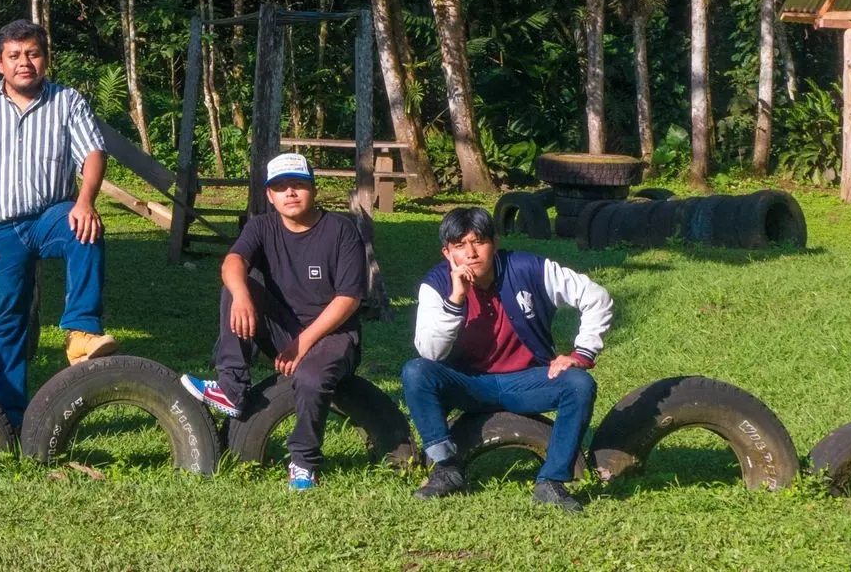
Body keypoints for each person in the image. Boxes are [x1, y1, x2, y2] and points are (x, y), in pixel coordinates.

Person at [0, 19, 117, 428]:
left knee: (86, 230)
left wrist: (85, 201)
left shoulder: (67, 101)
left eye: (33, 54)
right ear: (0, 63)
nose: (24, 63)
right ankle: (8, 421)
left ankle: (81, 332)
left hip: (52, 216)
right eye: (14, 55)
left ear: (45, 59)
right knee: (7, 324)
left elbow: (93, 152)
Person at [402, 205, 613, 512]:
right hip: (469, 384)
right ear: (447, 253)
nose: (471, 253)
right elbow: (430, 353)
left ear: (495, 243)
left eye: (479, 242)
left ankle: (552, 481)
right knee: (416, 372)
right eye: (460, 246)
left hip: (527, 382)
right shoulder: (436, 284)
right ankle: (446, 469)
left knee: (579, 385)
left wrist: (582, 353)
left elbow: (597, 297)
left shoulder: (528, 268)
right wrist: (456, 299)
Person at [179, 152, 366, 492]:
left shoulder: (341, 230)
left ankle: (304, 462)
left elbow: (349, 299)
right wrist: (241, 294)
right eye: (280, 187)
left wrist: (302, 343)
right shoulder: (261, 226)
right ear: (269, 195)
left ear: (314, 188)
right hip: (283, 329)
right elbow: (233, 261)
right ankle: (232, 388)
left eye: (298, 184)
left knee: (310, 379)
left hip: (334, 335)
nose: (290, 193)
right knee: (237, 286)